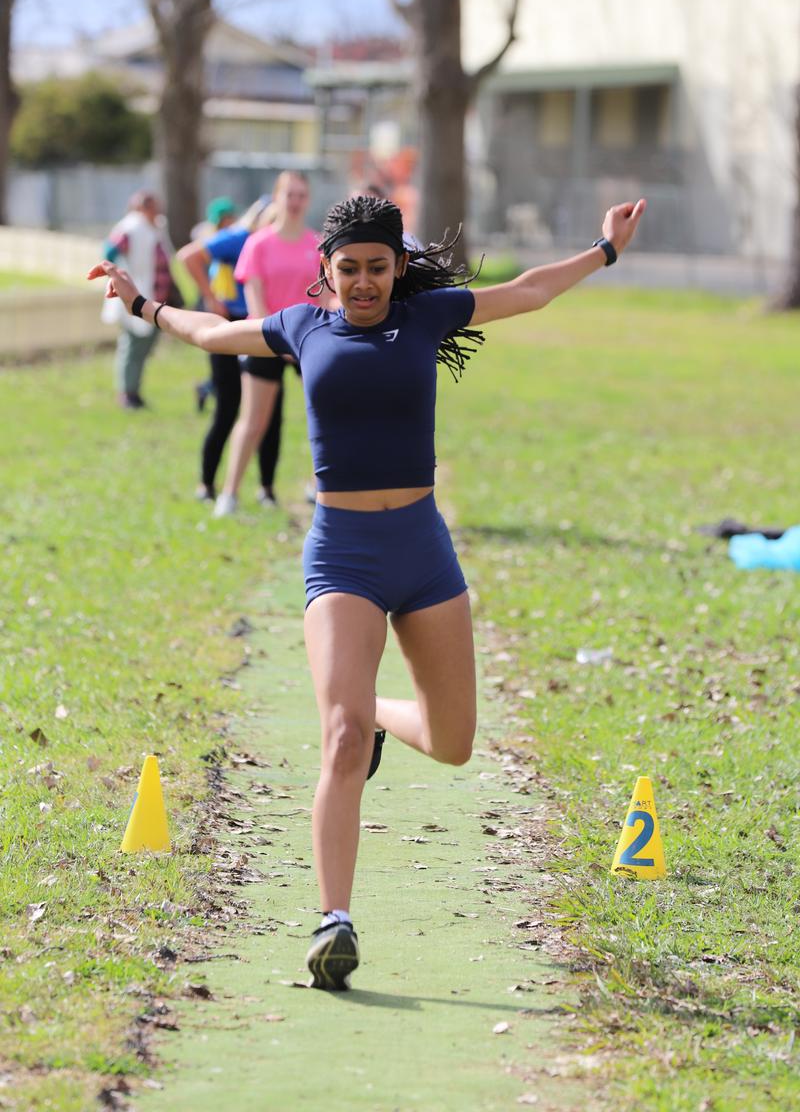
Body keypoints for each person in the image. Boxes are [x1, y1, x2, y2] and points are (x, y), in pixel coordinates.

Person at [89, 192, 646, 990]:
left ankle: (378, 710)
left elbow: (528, 290)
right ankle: (334, 922)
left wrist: (605, 249)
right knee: (341, 737)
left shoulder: (427, 318)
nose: (362, 282)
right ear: (326, 269)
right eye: (347, 268)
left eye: (377, 268)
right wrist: (144, 303)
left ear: (398, 266)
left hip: (423, 552)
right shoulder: (301, 326)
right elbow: (210, 331)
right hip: (342, 556)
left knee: (453, 742)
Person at [213, 171, 321, 516]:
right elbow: (255, 299)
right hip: (266, 339)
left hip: (307, 343)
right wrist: (280, 341)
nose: (295, 201)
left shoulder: (317, 245)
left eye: (301, 195)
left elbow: (324, 297)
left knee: (326, 416)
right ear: (277, 197)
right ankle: (229, 494)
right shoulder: (258, 244)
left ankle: (321, 489)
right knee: (254, 420)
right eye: (289, 194)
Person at [177, 197, 277, 503]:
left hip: (262, 328)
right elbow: (188, 256)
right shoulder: (239, 238)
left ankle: (266, 489)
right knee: (228, 406)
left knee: (270, 412)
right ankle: (206, 484)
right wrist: (210, 298)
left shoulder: (276, 245)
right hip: (230, 325)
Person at [101, 191, 173, 409]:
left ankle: (134, 390)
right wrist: (120, 276)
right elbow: (110, 251)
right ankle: (127, 392)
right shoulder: (131, 227)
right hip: (136, 294)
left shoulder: (156, 227)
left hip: (154, 296)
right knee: (132, 345)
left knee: (144, 345)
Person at [189, 196, 238, 414]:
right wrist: (212, 299)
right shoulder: (217, 242)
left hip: (224, 301)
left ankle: (207, 389)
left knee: (229, 364)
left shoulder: (222, 239)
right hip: (219, 303)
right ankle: (210, 391)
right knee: (223, 363)